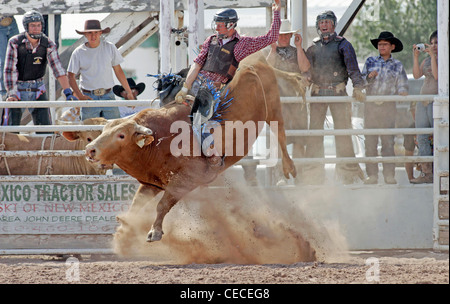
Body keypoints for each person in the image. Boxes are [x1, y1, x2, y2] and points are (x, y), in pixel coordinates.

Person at [174, 0, 282, 168]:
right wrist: (184, 87)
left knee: (201, 118)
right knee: (170, 99)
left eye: (220, 24)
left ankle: (212, 154)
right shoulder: (211, 40)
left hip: (217, 89)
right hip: (198, 83)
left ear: (231, 25)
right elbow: (196, 65)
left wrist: (276, 13)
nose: (216, 27)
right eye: (216, 23)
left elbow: (271, 37)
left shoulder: (242, 44)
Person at [296, 10, 366, 184]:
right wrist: (303, 80)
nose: (324, 25)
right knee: (315, 133)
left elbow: (353, 69)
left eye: (327, 22)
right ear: (318, 26)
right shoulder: (313, 47)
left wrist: (358, 86)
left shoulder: (343, 45)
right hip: (318, 92)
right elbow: (307, 71)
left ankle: (348, 172)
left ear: (333, 25)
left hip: (338, 92)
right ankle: (313, 173)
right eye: (321, 22)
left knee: (343, 131)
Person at [2, 10, 76, 129]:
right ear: (26, 27)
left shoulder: (48, 43)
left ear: (42, 26)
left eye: (38, 25)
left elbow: (58, 69)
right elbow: (9, 70)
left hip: (38, 88)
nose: (36, 28)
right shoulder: (15, 42)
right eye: (32, 25)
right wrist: (11, 93)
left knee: (45, 129)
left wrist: (68, 91)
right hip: (18, 88)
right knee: (10, 130)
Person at [361, 31, 409, 185]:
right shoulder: (369, 61)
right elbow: (361, 81)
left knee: (388, 142)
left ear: (392, 47)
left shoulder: (397, 65)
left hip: (388, 106)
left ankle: (389, 175)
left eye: (385, 44)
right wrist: (369, 77)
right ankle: (372, 175)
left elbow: (402, 83)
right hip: (371, 106)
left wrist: (402, 90)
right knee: (370, 142)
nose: (381, 47)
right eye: (380, 44)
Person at [265, 19, 308, 185]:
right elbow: (267, 69)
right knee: (277, 141)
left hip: (296, 102)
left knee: (299, 140)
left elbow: (304, 68)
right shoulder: (270, 52)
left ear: (291, 35)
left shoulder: (297, 51)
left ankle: (299, 176)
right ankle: (280, 176)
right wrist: (273, 50)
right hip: (278, 104)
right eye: (280, 35)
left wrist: (298, 47)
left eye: (285, 35)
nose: (283, 38)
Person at [67, 19, 135, 120]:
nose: (93, 36)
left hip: (108, 95)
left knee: (114, 129)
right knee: (89, 132)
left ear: (100, 33)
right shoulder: (78, 52)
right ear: (85, 34)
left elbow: (118, 71)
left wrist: (129, 91)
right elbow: (70, 76)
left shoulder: (109, 47)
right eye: (90, 33)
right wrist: (80, 96)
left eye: (96, 32)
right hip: (88, 96)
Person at [410, 30, 438, 184]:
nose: (433, 46)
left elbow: (437, 75)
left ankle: (440, 170)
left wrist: (434, 57)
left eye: (436, 43)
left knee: (439, 136)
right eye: (431, 43)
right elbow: (416, 75)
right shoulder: (426, 60)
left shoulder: (443, 60)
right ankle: (426, 172)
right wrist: (416, 57)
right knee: (421, 136)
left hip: (436, 102)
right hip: (423, 101)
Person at [1, 15, 19, 125]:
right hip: (7, 20)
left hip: (10, 20)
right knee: (3, 62)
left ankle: (9, 93)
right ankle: (5, 94)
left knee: (17, 59)